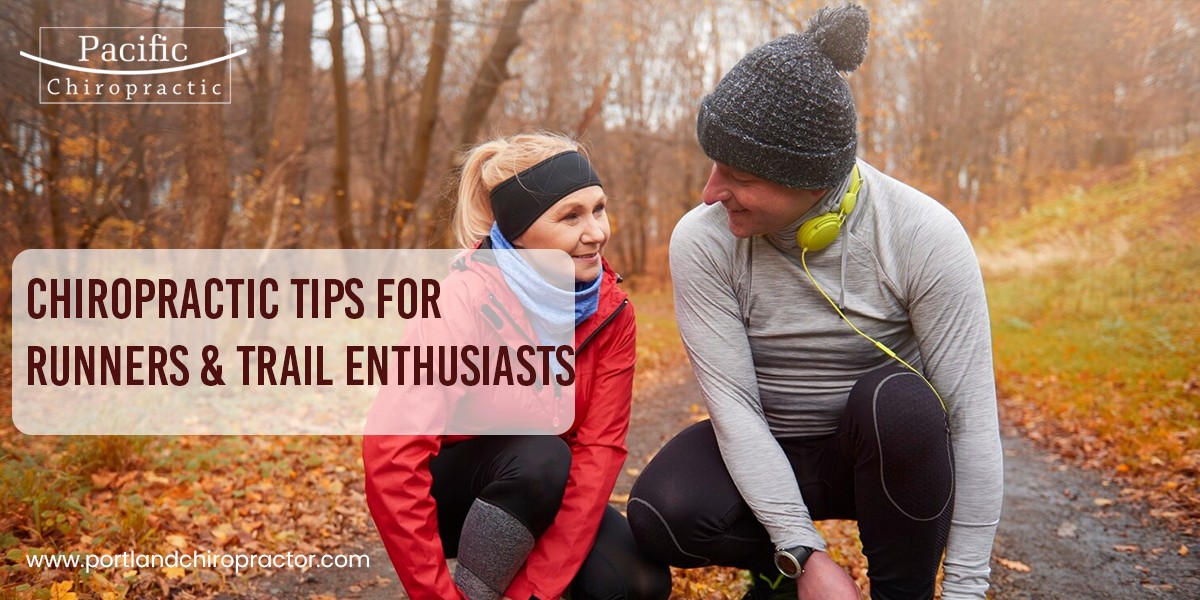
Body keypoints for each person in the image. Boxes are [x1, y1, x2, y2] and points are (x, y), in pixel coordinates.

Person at [626, 5, 1002, 600]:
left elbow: (972, 420)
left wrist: (965, 588)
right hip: (767, 445)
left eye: (739, 177)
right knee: (663, 511)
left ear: (814, 182)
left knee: (904, 405)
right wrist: (803, 553)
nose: (710, 192)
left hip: (883, 459)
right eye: (714, 166)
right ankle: (779, 578)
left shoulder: (922, 234)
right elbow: (734, 410)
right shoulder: (702, 239)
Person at [362, 132, 671, 600]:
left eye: (599, 209)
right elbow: (392, 456)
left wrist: (533, 590)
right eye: (570, 216)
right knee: (540, 456)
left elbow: (598, 452)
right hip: (455, 496)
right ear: (518, 230)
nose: (596, 232)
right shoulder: (461, 301)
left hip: (546, 489)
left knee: (637, 582)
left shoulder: (611, 313)